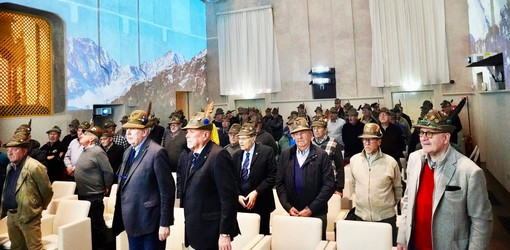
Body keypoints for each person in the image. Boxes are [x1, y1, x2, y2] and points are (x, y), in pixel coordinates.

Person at [397, 110, 493, 250]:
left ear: (446, 138)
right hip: (414, 245)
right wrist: (402, 237)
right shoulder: (415, 159)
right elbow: (407, 200)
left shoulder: (469, 171)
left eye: (430, 133)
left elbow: (481, 220)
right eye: (422, 132)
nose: (423, 138)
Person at [112, 110, 175, 249]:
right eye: (127, 129)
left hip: (150, 223)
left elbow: (167, 191)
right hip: (132, 220)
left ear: (145, 132)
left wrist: (165, 223)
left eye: (133, 129)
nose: (128, 133)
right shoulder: (128, 151)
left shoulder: (157, 152)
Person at [181, 111, 240, 249]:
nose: (187, 135)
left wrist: (225, 233)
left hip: (212, 231)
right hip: (196, 229)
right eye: (187, 132)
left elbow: (228, 198)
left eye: (191, 132)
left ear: (206, 135)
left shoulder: (218, 155)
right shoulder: (190, 156)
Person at [276, 117, 335, 240]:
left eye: (303, 133)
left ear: (310, 134)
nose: (299, 137)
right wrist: (287, 207)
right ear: (292, 137)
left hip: (317, 213)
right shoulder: (286, 155)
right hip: (294, 212)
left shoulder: (321, 155)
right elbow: (279, 183)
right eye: (296, 134)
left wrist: (311, 209)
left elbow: (329, 185)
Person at [349, 123, 402, 245]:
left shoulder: (390, 162)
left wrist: (385, 205)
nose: (366, 142)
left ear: (379, 141)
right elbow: (354, 185)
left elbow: (398, 189)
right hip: (361, 216)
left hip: (385, 217)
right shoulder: (354, 160)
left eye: (371, 139)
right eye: (364, 139)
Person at [1, 132, 53, 250]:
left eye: (15, 149)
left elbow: (47, 191)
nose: (10, 152)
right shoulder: (10, 166)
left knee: (35, 247)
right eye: (8, 149)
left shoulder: (35, 166)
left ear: (24, 151)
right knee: (16, 247)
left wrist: (36, 208)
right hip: (11, 215)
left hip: (28, 215)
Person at [233, 123, 277, 235]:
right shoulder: (237, 155)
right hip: (241, 203)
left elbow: (272, 177)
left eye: (244, 138)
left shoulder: (266, 152)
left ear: (253, 138)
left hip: (261, 203)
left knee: (261, 237)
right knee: (243, 236)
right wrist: (237, 195)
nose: (240, 142)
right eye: (239, 138)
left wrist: (256, 192)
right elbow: (232, 178)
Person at [75, 126, 114, 250]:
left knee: (97, 226)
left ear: (91, 139)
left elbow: (108, 171)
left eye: (85, 134)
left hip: (93, 195)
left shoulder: (97, 151)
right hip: (83, 194)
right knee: (88, 225)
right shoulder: (85, 150)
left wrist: (107, 186)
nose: (81, 135)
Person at [311, 116, 344, 196]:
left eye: (319, 127)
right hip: (312, 184)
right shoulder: (309, 143)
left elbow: (339, 167)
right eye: (314, 128)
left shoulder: (334, 143)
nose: (316, 130)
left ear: (325, 129)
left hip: (329, 183)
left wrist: (339, 188)